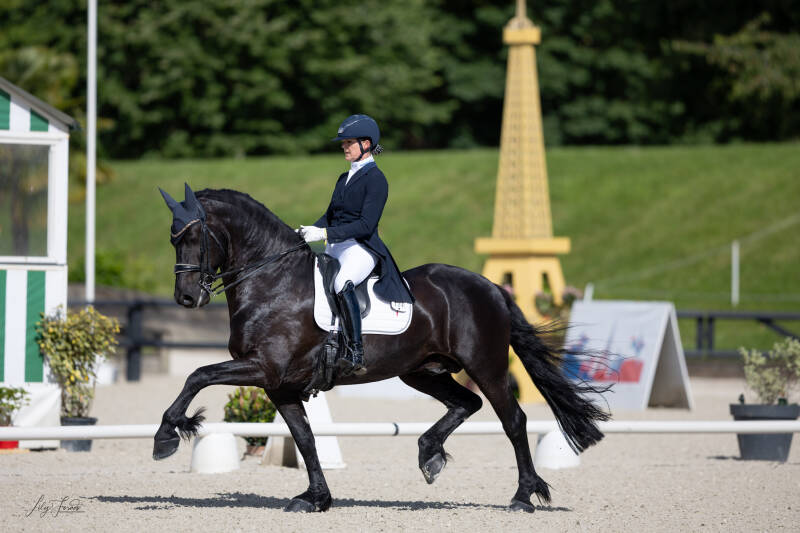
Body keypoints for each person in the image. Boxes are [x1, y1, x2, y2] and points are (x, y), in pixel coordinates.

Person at [299, 114, 414, 376]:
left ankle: (355, 352)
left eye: (348, 142)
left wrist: (324, 234)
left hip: (361, 247)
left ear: (366, 144)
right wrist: (307, 231)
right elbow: (329, 215)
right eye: (344, 142)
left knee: (342, 283)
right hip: (337, 243)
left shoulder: (376, 180)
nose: (343, 146)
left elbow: (365, 225)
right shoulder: (343, 178)